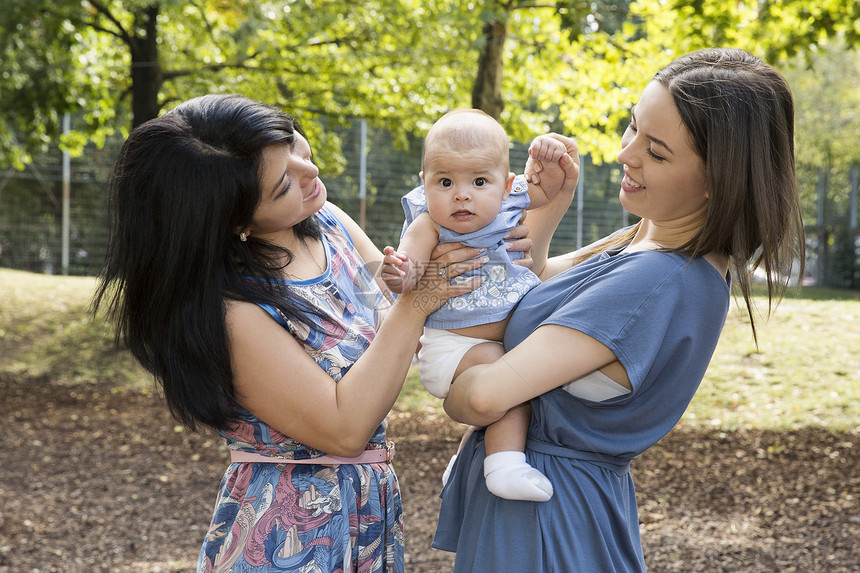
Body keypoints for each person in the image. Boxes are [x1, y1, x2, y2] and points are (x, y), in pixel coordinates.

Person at [92, 94, 578, 572]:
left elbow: (405, 329)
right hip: (291, 530)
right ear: (235, 219)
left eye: (297, 149)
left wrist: (527, 222)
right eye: (284, 183)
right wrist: (421, 299)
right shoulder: (232, 311)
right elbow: (346, 427)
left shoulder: (324, 223)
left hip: (369, 511)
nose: (311, 174)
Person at [432, 47, 806, 572]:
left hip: (545, 522)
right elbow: (530, 294)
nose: (625, 154)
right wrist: (551, 203)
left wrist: (453, 370)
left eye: (656, 152)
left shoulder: (658, 279)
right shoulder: (647, 242)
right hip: (554, 506)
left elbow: (484, 397)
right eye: (633, 128)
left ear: (716, 181)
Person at [381, 109, 571, 502]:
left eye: (480, 181)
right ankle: (503, 465)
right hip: (454, 348)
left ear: (507, 186)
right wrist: (399, 273)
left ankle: (467, 460)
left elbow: (548, 188)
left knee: (524, 370)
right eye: (445, 181)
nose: (462, 194)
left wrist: (550, 152)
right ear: (425, 183)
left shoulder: (509, 206)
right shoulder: (429, 224)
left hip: (500, 341)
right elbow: (410, 273)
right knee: (510, 377)